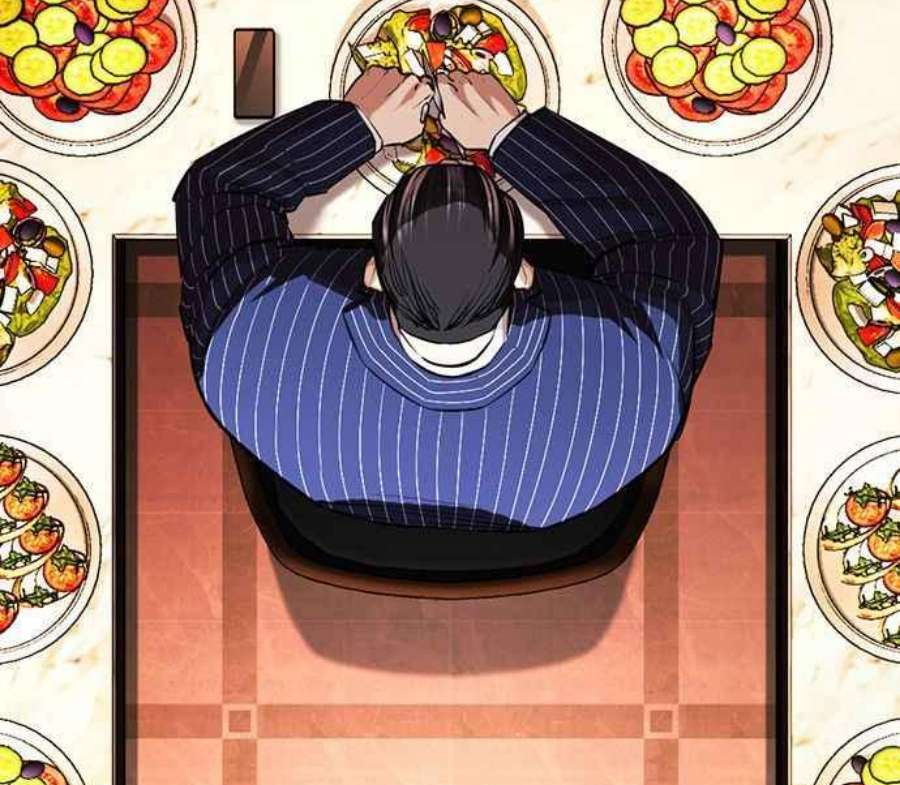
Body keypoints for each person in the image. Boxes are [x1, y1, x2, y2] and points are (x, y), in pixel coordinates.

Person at [174, 67, 721, 569]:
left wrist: (358, 126)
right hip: (548, 509)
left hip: (337, 502)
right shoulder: (636, 383)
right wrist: (513, 138)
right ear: (524, 273)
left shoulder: (247, 352)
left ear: (373, 273)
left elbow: (219, 190)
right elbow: (672, 240)